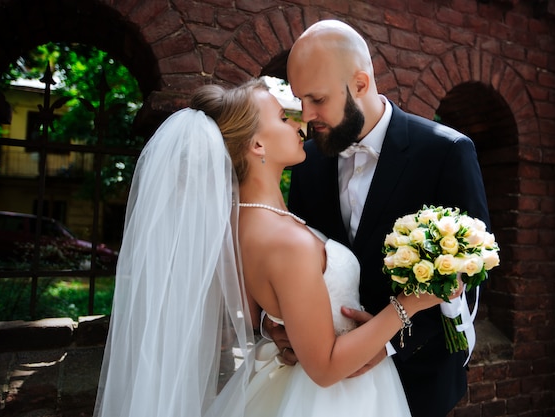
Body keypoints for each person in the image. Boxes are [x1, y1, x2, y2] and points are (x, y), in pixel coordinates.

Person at [93, 78, 459, 417]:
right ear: (256, 144)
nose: (300, 125)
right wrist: (410, 304)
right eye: (284, 118)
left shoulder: (240, 223)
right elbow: (327, 368)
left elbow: (258, 316)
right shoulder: (286, 241)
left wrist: (277, 323)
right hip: (334, 397)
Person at [283, 20, 492, 417]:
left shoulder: (446, 152)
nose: (307, 115)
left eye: (317, 99)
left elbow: (472, 274)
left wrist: (391, 340)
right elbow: (294, 262)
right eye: (299, 99)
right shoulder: (307, 162)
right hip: (324, 389)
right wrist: (278, 327)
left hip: (419, 379)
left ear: (360, 84)